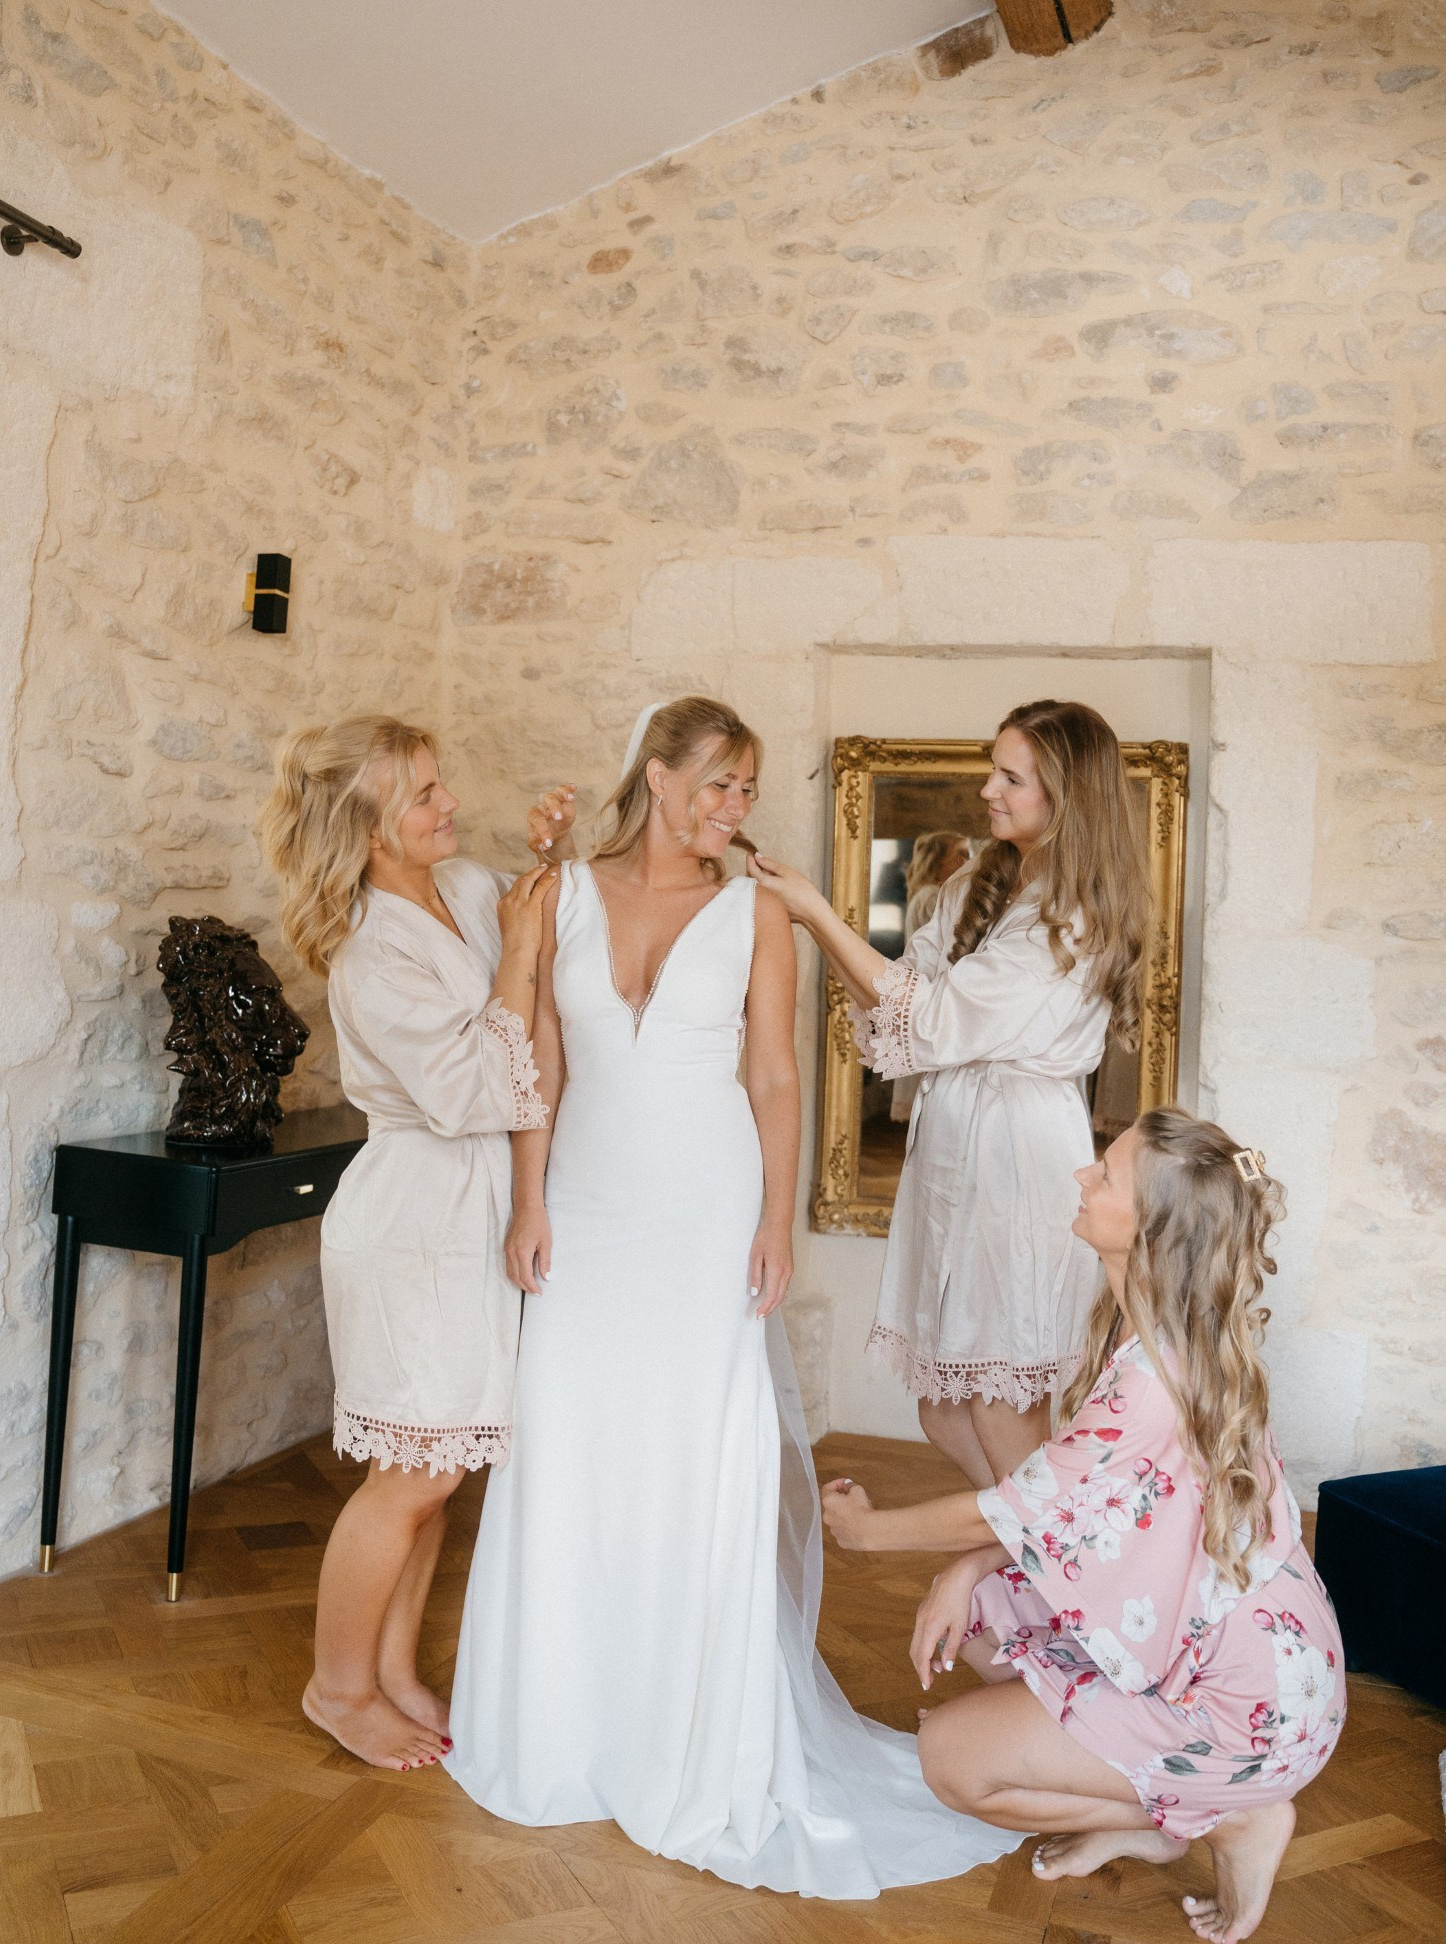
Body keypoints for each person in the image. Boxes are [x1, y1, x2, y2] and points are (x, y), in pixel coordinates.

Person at [446, 696, 1017, 1896]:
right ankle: (565, 1723)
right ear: (656, 776)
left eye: (747, 788)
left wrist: (774, 1221)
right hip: (583, 1212)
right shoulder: (560, 893)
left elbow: (772, 1076)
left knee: (690, 1450)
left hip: (704, 1220)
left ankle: (685, 1726)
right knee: (568, 1442)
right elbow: (538, 1061)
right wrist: (526, 1201)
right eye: (718, 782)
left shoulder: (757, 910)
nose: (735, 807)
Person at [822, 1108, 1344, 1944]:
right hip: (1258, 1665)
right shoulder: (1158, 1330)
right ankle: (1164, 1815)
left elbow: (1015, 1504)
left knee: (951, 1762)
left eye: (1105, 1175)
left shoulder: (1151, 1380)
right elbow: (1065, 1505)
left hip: (1247, 1711)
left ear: (1150, 1230)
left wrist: (867, 1531)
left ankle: (1230, 1818)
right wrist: (967, 1569)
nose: (1080, 1177)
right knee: (976, 1613)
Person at [260, 716, 571, 1772]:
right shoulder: (371, 955)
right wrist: (517, 954)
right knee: (406, 1477)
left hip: (471, 1216)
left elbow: (555, 937)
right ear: (369, 831)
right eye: (425, 795)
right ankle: (336, 1687)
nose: (451, 805)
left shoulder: (468, 889)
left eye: (441, 784)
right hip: (410, 1225)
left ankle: (392, 1668)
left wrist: (552, 854)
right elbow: (477, 1091)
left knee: (440, 1463)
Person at [753, 700, 1150, 1489]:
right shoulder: (982, 880)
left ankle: (1046, 1552)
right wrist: (818, 928)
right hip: (953, 1152)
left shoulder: (1071, 917)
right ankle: (1031, 1543)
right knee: (942, 1408)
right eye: (991, 771)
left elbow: (932, 1019)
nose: (987, 791)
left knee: (1000, 1407)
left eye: (1011, 778)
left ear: (1067, 795)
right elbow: (900, 994)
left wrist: (815, 911)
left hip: (1016, 1159)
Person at [891, 831, 972, 1125]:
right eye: (960, 854)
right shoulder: (933, 897)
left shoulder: (928, 895)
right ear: (938, 862)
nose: (967, 860)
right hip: (931, 993)